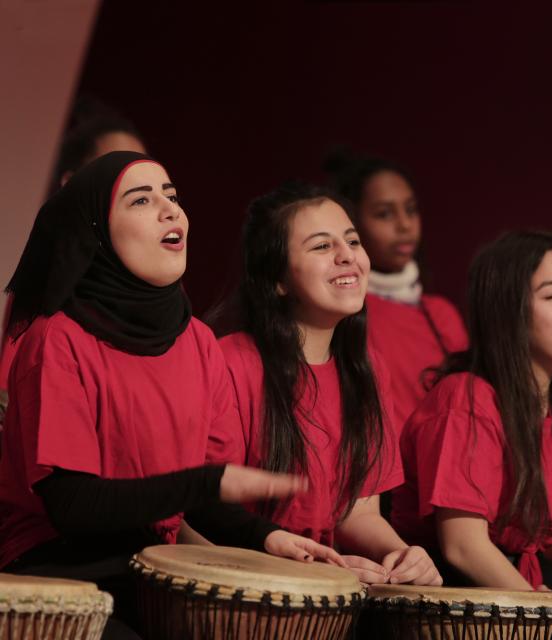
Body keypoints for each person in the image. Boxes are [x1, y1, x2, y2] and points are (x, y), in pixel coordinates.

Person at [0, 153, 343, 638]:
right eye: (142, 200)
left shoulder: (198, 341)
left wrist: (269, 538)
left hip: (147, 565)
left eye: (173, 196)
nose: (170, 211)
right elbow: (72, 506)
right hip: (58, 572)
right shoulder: (57, 338)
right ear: (96, 230)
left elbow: (198, 497)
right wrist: (207, 483)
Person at [211, 182, 442, 586]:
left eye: (352, 241)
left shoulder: (367, 370)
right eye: (321, 246)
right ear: (278, 279)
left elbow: (356, 512)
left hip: (321, 591)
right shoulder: (230, 362)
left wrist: (401, 554)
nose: (347, 256)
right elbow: (198, 515)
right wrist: (296, 566)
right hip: (241, 586)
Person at [392, 230, 552, 599]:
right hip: (449, 591)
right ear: (508, 313)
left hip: (528, 593)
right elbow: (463, 545)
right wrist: (539, 610)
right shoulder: (466, 399)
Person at [0, 102, 147, 416]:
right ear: (72, 185)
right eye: (115, 170)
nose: (136, 184)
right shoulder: (46, 281)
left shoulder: (159, 292)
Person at [325, 149, 467, 429]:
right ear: (350, 223)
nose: (404, 224)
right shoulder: (343, 313)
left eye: (411, 210)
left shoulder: (442, 313)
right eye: (384, 214)